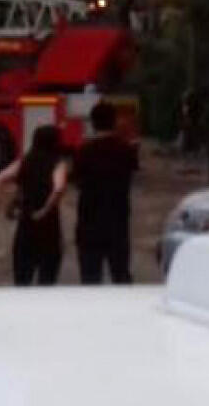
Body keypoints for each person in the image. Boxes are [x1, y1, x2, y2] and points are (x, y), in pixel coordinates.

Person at [0, 125, 69, 286]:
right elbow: (58, 188)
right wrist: (44, 210)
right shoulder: (58, 163)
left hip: (25, 225)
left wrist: (7, 205)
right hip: (49, 229)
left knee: (22, 281)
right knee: (46, 283)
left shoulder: (24, 161)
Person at [73, 101, 139, 284]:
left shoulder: (84, 151)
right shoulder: (126, 150)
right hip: (118, 221)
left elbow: (77, 181)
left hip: (89, 221)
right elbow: (132, 172)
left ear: (93, 123)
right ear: (113, 121)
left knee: (90, 277)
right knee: (120, 274)